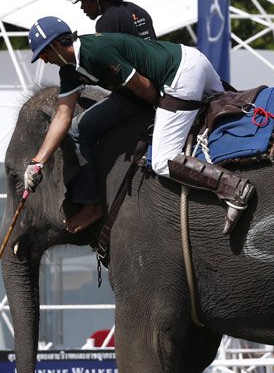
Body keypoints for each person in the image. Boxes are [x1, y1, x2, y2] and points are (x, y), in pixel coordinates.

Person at [26, 16, 255, 235]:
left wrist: (160, 118)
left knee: (162, 161)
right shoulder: (68, 70)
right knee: (230, 111)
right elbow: (62, 116)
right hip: (191, 59)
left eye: (44, 53)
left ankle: (233, 187)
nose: (44, 60)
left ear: (56, 44)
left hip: (180, 75)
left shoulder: (95, 51)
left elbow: (145, 87)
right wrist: (37, 163)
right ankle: (91, 205)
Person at [63, 0, 157, 229]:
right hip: (157, 83)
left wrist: (87, 78)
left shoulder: (105, 23)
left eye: (84, 0)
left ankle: (91, 203)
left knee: (76, 130)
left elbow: (116, 73)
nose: (82, 7)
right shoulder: (136, 10)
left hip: (136, 97)